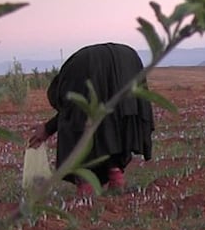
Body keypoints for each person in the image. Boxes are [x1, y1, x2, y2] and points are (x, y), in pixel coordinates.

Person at [27, 43, 154, 194]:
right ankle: (116, 175)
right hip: (127, 60)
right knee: (117, 120)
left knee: (74, 128)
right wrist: (47, 128)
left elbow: (70, 113)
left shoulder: (68, 82)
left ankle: (85, 186)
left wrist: (48, 128)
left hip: (95, 63)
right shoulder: (72, 73)